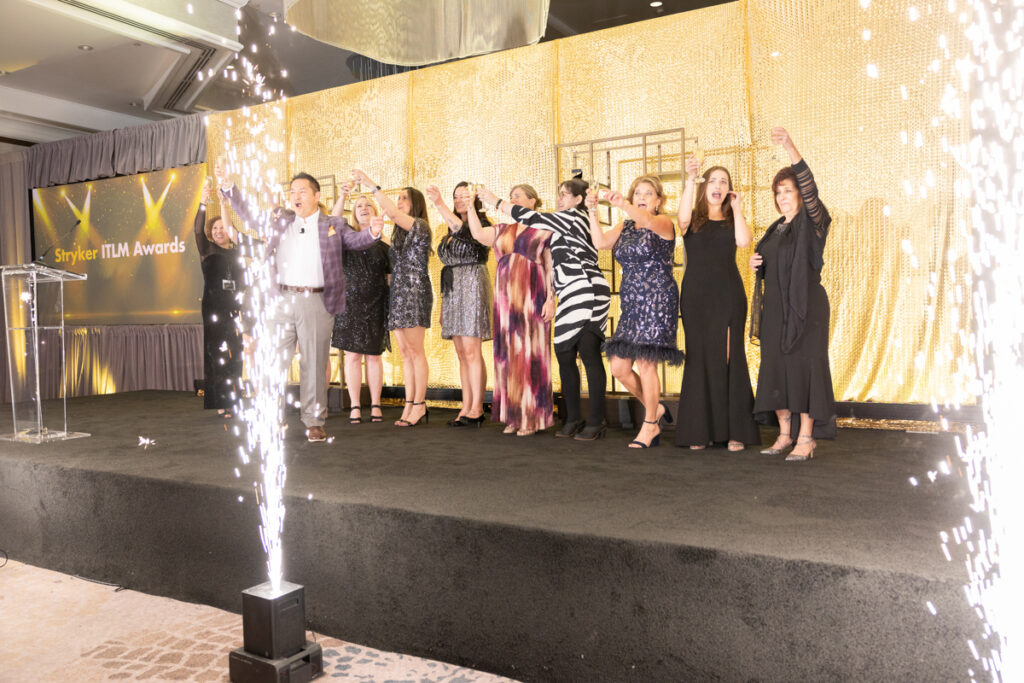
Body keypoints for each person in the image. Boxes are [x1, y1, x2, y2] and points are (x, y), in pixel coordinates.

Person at [218, 166, 382, 442]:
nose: (295, 196)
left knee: (314, 363)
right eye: (292, 192)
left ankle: (314, 421)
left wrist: (374, 233)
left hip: (316, 301)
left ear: (316, 195)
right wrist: (229, 188)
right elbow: (249, 216)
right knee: (273, 362)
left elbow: (355, 241)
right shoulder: (280, 219)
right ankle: (272, 418)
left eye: (302, 191)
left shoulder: (333, 224)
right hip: (280, 299)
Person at [478, 178, 609, 441]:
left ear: (578, 200)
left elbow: (531, 218)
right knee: (564, 354)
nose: (559, 199)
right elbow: (552, 265)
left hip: (587, 289)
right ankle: (573, 418)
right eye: (559, 194)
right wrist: (552, 295)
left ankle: (596, 421)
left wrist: (496, 202)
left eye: (564, 195)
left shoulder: (573, 217)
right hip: (569, 292)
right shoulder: (559, 226)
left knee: (588, 353)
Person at [749, 127, 837, 460]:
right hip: (775, 312)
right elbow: (774, 266)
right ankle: (784, 434)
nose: (783, 196)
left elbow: (812, 191)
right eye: (779, 192)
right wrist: (758, 263)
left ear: (800, 193)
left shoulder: (812, 224)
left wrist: (790, 148)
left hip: (806, 309)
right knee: (776, 368)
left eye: (789, 190)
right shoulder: (774, 229)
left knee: (804, 368)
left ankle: (806, 437)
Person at [586, 176, 683, 448]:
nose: (642, 196)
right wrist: (593, 211)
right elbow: (601, 243)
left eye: (648, 193)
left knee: (646, 362)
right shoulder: (625, 225)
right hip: (631, 301)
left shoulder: (663, 222)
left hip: (656, 298)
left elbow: (649, 222)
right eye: (637, 192)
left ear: (658, 200)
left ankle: (650, 425)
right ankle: (655, 409)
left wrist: (624, 204)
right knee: (618, 366)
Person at [675, 157, 761, 451]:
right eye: (713, 181)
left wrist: (737, 209)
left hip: (728, 293)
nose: (719, 186)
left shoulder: (731, 217)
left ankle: (735, 431)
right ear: (704, 186)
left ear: (729, 190)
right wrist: (690, 178)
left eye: (724, 182)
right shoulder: (692, 218)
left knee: (729, 357)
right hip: (696, 295)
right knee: (699, 358)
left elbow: (743, 241)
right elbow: (681, 218)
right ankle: (699, 431)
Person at [464, 184, 555, 436]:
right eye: (511, 196)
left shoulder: (544, 229)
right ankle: (514, 415)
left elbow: (550, 266)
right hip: (505, 299)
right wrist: (471, 206)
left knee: (529, 354)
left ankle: (531, 417)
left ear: (532, 202)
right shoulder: (503, 229)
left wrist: (551, 299)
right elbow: (478, 234)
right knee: (508, 355)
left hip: (532, 296)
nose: (513, 199)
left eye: (518, 196)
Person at [352, 169, 432, 428]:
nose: (398, 203)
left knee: (416, 352)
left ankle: (419, 403)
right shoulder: (396, 235)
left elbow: (395, 215)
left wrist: (371, 185)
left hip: (415, 292)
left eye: (404, 199)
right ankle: (410, 401)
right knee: (406, 353)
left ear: (415, 205)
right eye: (397, 198)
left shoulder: (420, 226)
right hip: (397, 295)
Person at [425, 182, 492, 427]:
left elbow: (465, 231)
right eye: (457, 196)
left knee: (473, 350)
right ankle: (466, 405)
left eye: (465, 195)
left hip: (473, 283)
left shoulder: (482, 224)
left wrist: (439, 203)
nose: (461, 199)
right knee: (462, 352)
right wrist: (444, 304)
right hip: (453, 290)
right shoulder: (448, 231)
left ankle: (477, 408)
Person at [329, 185, 391, 424]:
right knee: (352, 356)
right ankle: (355, 405)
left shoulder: (384, 244)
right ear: (353, 213)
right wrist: (343, 195)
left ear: (375, 211)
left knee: (374, 356)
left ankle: (375, 404)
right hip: (349, 303)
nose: (364, 208)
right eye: (359, 206)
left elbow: (389, 277)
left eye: (368, 205)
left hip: (376, 302)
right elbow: (333, 220)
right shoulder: (345, 238)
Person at [194, 181, 245, 418]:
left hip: (235, 308)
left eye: (221, 228)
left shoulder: (237, 252)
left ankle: (235, 398)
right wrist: (203, 202)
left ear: (228, 229)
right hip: (213, 308)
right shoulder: (208, 250)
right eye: (214, 229)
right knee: (217, 354)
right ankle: (220, 401)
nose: (217, 232)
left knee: (235, 353)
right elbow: (197, 230)